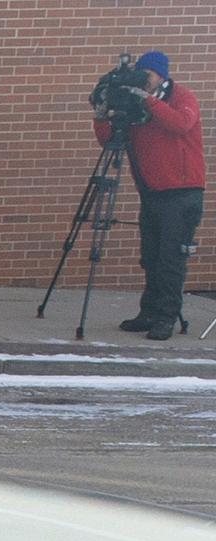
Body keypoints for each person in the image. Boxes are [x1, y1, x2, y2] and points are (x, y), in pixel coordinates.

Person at [94, 50, 205, 341]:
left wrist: (148, 100)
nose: (145, 80)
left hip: (182, 192)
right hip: (152, 192)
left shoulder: (181, 97)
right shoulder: (137, 104)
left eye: (149, 75)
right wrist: (102, 116)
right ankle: (149, 312)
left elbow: (180, 124)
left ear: (162, 75)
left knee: (170, 259)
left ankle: (166, 317)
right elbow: (110, 141)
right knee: (151, 257)